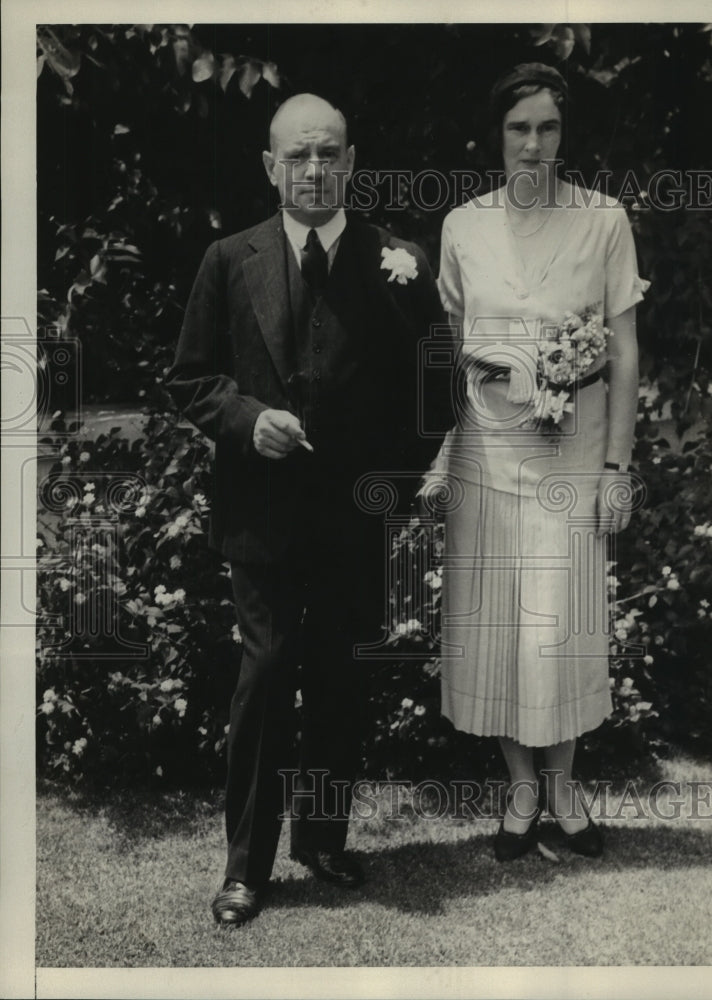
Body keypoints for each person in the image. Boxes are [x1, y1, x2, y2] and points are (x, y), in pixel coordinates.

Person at [166, 93, 452, 925]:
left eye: (330, 154)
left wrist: (393, 491)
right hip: (260, 517)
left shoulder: (396, 260)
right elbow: (188, 379)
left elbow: (438, 385)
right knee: (264, 676)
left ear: (353, 163)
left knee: (337, 679)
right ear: (271, 167)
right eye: (299, 155)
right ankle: (245, 867)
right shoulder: (228, 259)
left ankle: (323, 841)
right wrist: (249, 422)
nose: (315, 169)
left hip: (355, 521)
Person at [436, 63, 648, 859]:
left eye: (548, 127)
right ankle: (520, 789)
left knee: (558, 627)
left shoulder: (604, 220)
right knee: (501, 625)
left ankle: (564, 786)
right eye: (519, 127)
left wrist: (618, 466)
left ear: (566, 134)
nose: (534, 143)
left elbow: (625, 353)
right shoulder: (463, 225)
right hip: (489, 452)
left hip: (575, 450)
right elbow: (452, 350)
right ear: (497, 135)